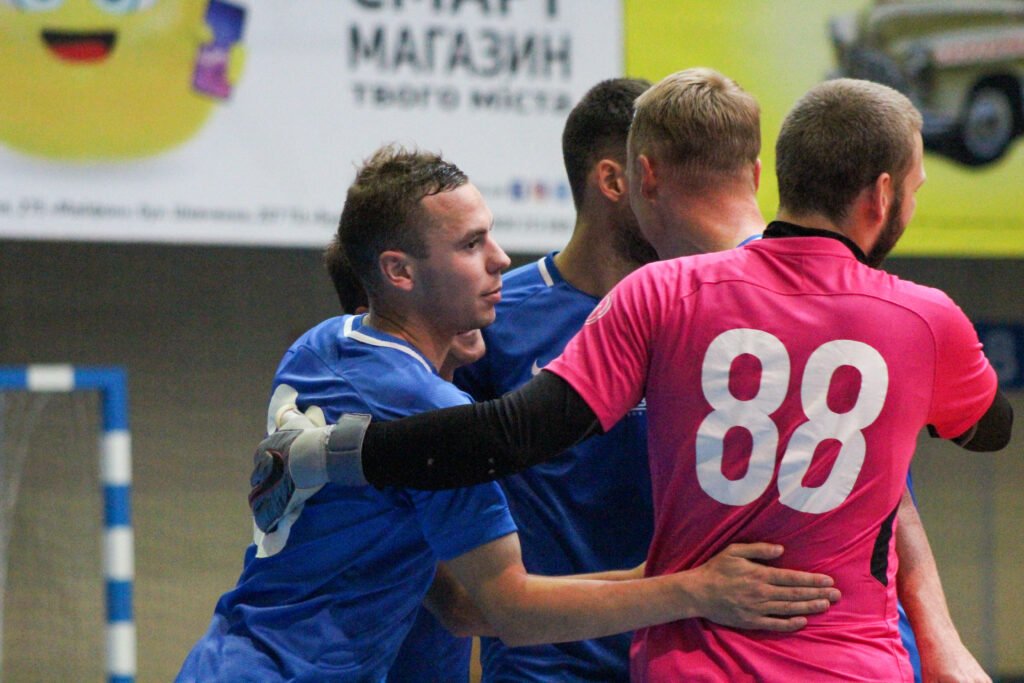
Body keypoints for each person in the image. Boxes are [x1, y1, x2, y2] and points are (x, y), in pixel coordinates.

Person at [249, 79, 1012, 681]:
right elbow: (957, 446)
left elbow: (498, 438)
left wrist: (331, 453)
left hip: (691, 654)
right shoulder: (912, 315)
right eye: (475, 242)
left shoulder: (661, 296)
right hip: (760, 655)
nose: (496, 259)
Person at [182, 145, 841, 682]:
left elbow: (460, 606)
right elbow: (512, 612)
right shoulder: (435, 410)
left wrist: (664, 576)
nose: (500, 259)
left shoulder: (318, 348)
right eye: (472, 245)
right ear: (399, 271)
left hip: (226, 657)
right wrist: (697, 590)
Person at [452, 77, 657, 682]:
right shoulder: (493, 321)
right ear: (613, 181)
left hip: (680, 660)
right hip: (542, 668)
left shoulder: (705, 312)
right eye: (662, 176)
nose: (684, 197)